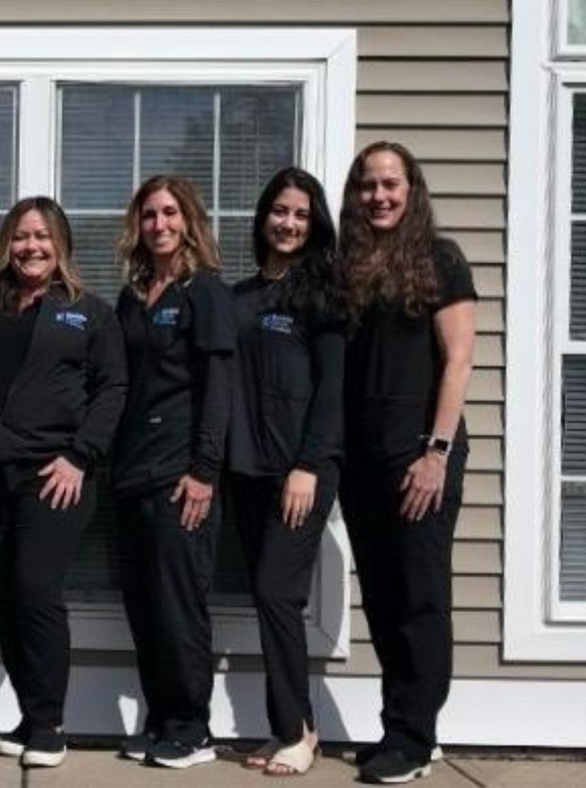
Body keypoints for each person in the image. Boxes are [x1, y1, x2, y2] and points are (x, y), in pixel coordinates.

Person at [0, 197, 126, 771]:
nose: (31, 247)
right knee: (5, 595)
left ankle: (50, 723)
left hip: (53, 474)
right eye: (22, 236)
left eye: (43, 237)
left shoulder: (88, 312)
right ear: (7, 244)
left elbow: (113, 389)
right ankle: (29, 714)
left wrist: (80, 455)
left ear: (61, 246)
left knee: (34, 587)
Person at [338, 142, 477, 785]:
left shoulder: (440, 259)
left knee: (420, 596)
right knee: (383, 597)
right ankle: (403, 726)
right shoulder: (349, 266)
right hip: (363, 459)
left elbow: (459, 360)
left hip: (420, 454)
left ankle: (414, 738)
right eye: (368, 185)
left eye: (390, 184)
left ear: (412, 190)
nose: (379, 196)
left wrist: (436, 453)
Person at [110, 175, 237, 770]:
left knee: (179, 603)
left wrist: (204, 470)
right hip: (131, 471)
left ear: (188, 220)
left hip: (180, 474)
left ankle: (192, 727)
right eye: (149, 215)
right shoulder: (134, 295)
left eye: (169, 213)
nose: (159, 225)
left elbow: (218, 387)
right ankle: (161, 719)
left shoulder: (204, 290)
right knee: (144, 605)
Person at [226, 168, 345, 778]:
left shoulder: (322, 295)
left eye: (301, 214)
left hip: (301, 471)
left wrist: (308, 464)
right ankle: (292, 727)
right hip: (246, 467)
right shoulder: (240, 296)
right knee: (268, 597)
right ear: (263, 218)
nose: (289, 223)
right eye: (280, 211)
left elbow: (332, 391)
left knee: (277, 592)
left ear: (314, 223)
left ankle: (297, 731)